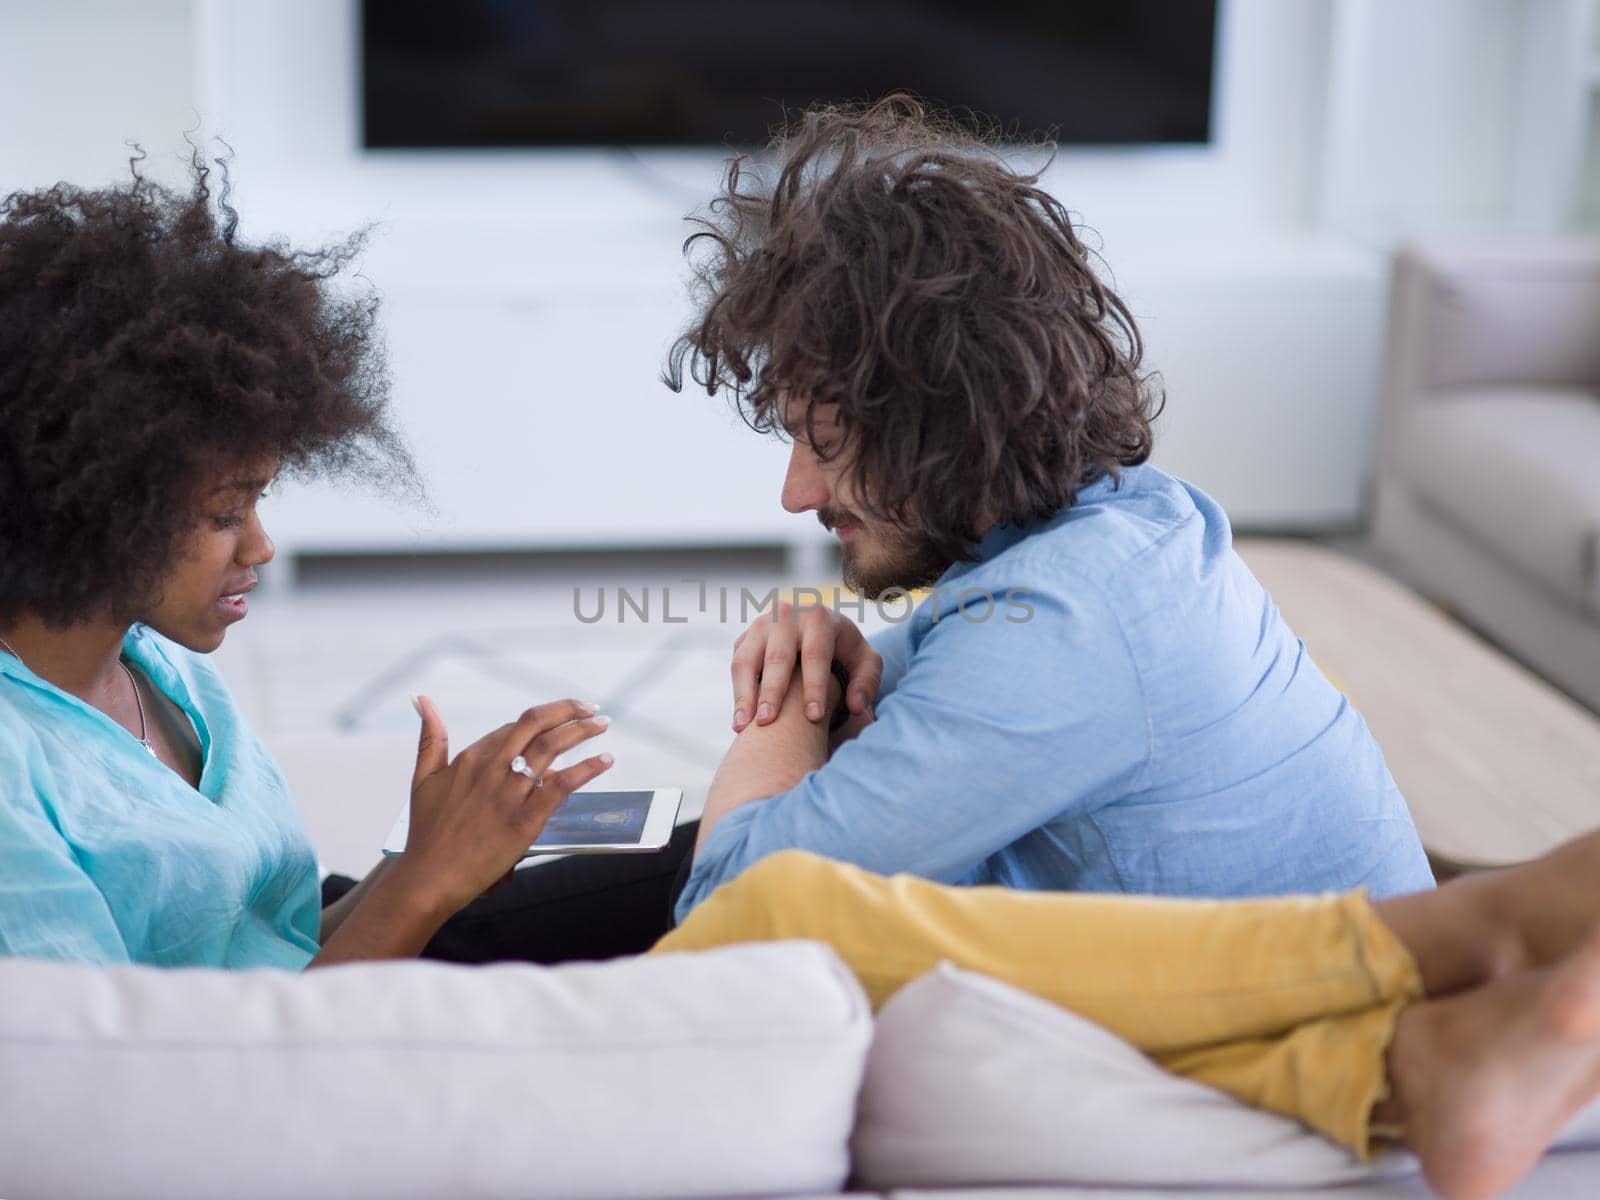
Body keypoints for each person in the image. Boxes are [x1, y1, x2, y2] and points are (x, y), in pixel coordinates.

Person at [664, 96, 1434, 919]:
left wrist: (783, 695)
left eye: (826, 442)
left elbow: (725, 908)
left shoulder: (1072, 619)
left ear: (950, 418)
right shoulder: (1128, 520)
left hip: (1316, 1041)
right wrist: (832, 673)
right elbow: (892, 708)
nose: (796, 494)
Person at [0, 157, 658, 968]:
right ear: (87, 501)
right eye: (225, 513)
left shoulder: (164, 673)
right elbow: (168, 1076)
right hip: (292, 1073)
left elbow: (283, 942)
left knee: (691, 866)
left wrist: (430, 852)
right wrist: (427, 883)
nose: (261, 547)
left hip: (348, 1000)